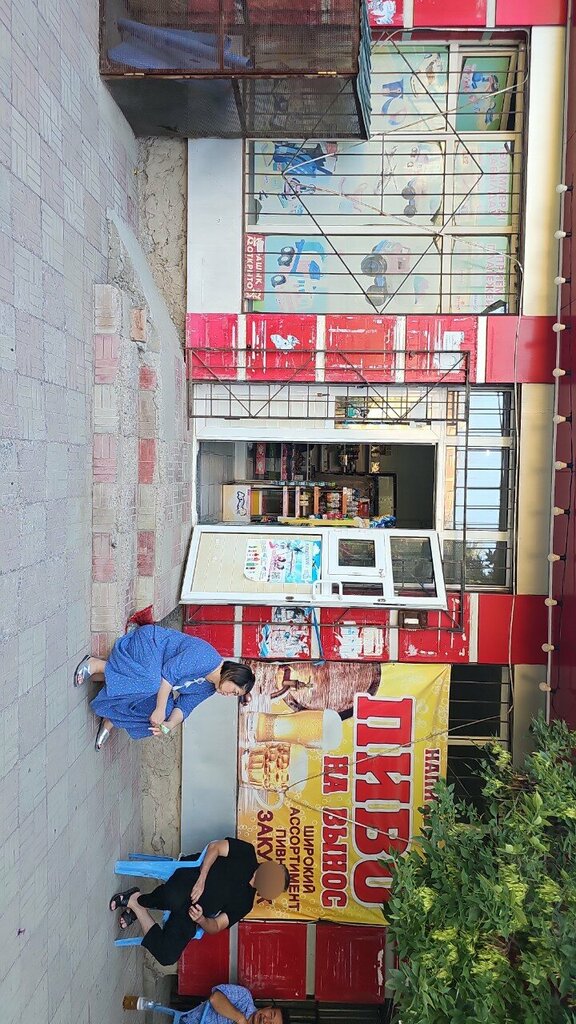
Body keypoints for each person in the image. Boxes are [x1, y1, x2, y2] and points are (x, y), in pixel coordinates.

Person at [109, 837, 290, 967]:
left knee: (168, 956)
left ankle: (136, 904)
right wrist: (202, 879)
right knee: (173, 898)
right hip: (193, 877)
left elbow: (217, 925)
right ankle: (140, 900)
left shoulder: (246, 904)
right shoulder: (247, 854)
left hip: (193, 913)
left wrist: (201, 919)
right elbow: (215, 847)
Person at [73, 625, 255, 750]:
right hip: (150, 644)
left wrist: (168, 725)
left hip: (152, 674)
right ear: (233, 675)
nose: (229, 695)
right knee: (151, 685)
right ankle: (97, 665)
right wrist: (159, 708)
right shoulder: (207, 657)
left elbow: (185, 707)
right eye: (234, 691)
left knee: (164, 713)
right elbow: (168, 676)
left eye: (234, 695)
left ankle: (113, 718)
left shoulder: (209, 688)